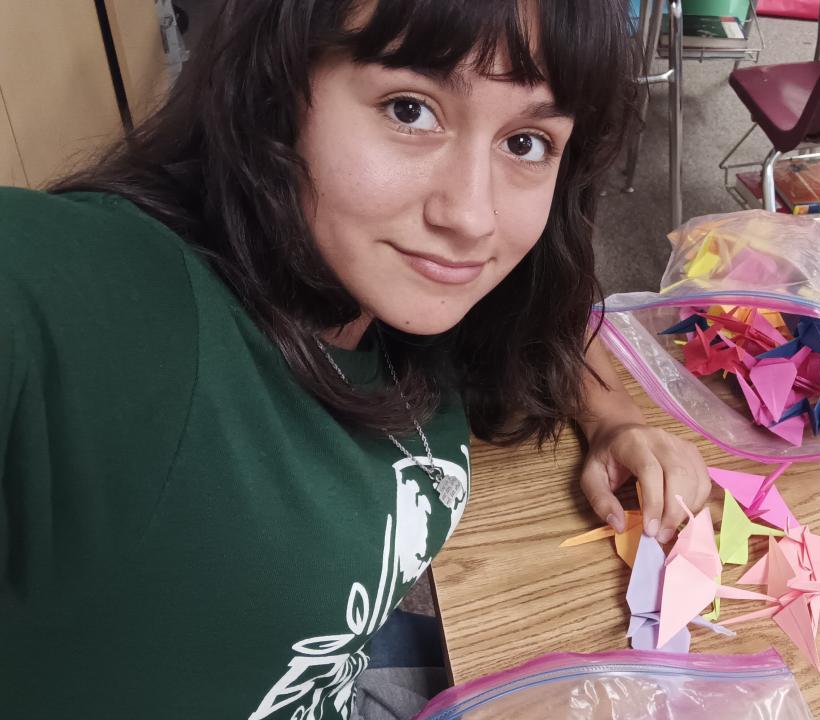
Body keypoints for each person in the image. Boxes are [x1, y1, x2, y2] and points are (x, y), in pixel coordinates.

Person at [0, 1, 711, 717]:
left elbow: (545, 316)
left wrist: (616, 420)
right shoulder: (118, 309)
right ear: (275, 85)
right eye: (410, 109)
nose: (471, 217)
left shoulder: (398, 295)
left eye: (525, 143)